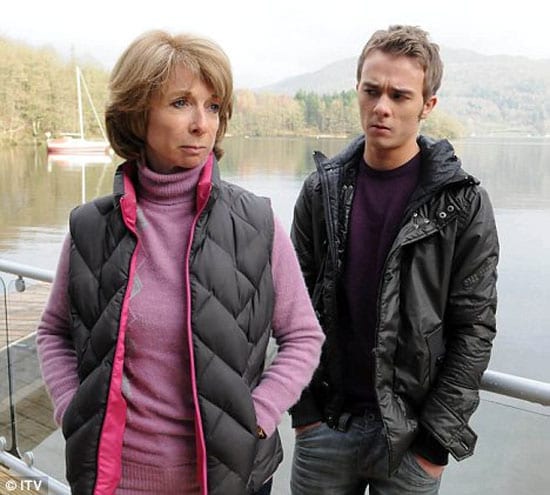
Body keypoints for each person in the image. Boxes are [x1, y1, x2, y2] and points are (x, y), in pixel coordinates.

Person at [36, 30, 324, 495]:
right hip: (114, 480)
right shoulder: (89, 228)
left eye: (213, 107)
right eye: (181, 103)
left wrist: (258, 417)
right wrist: (71, 409)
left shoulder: (256, 222)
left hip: (232, 478)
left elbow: (304, 336)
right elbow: (53, 332)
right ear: (137, 113)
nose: (201, 124)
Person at [290, 25, 499, 495]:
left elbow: (473, 328)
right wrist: (304, 412)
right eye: (372, 91)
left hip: (410, 440)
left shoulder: (461, 203)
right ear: (358, 91)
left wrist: (434, 444)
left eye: (399, 96)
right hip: (326, 426)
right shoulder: (321, 190)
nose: (381, 107)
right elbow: (292, 304)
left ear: (427, 105)